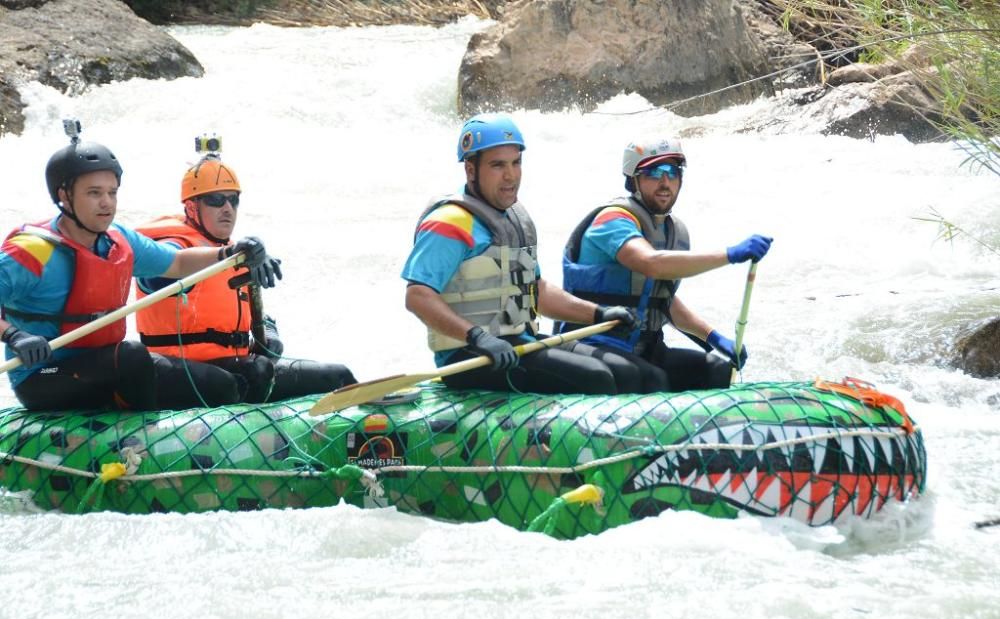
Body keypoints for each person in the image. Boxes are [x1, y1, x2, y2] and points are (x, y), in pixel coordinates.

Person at [0, 121, 279, 411]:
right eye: (94, 193)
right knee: (133, 355)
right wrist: (14, 335)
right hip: (44, 375)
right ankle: (140, 443)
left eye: (112, 192)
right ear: (64, 196)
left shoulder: (118, 240)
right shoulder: (33, 251)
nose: (107, 203)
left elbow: (179, 262)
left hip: (106, 363)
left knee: (225, 385)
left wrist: (232, 252)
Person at [401, 113, 643, 395]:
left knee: (629, 372)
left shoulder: (514, 219)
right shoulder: (449, 223)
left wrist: (598, 313)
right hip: (472, 356)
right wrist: (477, 336)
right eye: (497, 165)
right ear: (470, 170)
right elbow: (417, 296)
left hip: (519, 341)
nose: (510, 175)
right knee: (595, 377)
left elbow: (535, 291)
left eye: (516, 163)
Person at [133, 139, 356, 405]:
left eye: (233, 200)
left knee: (338, 376)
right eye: (216, 200)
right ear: (192, 207)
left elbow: (241, 313)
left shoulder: (233, 250)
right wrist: (228, 255)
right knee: (254, 372)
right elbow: (156, 273)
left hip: (235, 365)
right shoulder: (174, 245)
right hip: (180, 371)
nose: (227, 208)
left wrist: (270, 332)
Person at [558, 138, 773, 392]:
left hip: (647, 348)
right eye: (653, 173)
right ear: (634, 179)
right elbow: (651, 264)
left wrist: (712, 337)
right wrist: (730, 254)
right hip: (592, 344)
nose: (665, 182)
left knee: (717, 370)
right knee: (651, 379)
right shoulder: (612, 220)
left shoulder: (673, 231)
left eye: (672, 172)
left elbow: (662, 299)